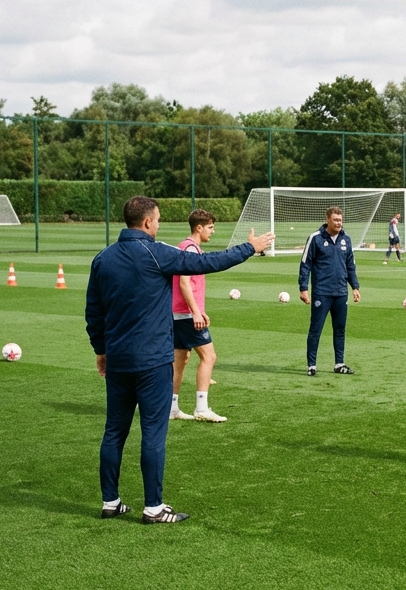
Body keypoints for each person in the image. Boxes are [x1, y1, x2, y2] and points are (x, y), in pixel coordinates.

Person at [86, 196, 273, 523]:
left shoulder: (103, 259)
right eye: (157, 220)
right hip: (153, 362)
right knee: (153, 434)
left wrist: (101, 352)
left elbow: (94, 314)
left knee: (114, 431)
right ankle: (153, 508)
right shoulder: (156, 254)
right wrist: (250, 247)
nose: (158, 225)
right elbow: (208, 263)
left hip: (117, 361)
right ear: (147, 223)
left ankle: (111, 502)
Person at [169, 209, 227, 423]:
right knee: (209, 357)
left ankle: (172, 408)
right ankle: (201, 408)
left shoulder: (184, 247)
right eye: (210, 227)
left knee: (180, 360)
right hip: (185, 315)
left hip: (178, 313)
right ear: (199, 227)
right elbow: (184, 282)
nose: (213, 231)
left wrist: (198, 309)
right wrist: (195, 312)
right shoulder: (191, 250)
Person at [299, 206, 361, 376]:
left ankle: (339, 364)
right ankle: (311, 365)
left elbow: (350, 266)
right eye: (335, 220)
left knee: (340, 329)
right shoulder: (315, 238)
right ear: (327, 219)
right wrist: (303, 288)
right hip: (322, 292)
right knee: (316, 329)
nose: (339, 223)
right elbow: (305, 264)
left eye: (340, 220)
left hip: (341, 292)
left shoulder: (346, 240)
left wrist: (355, 287)